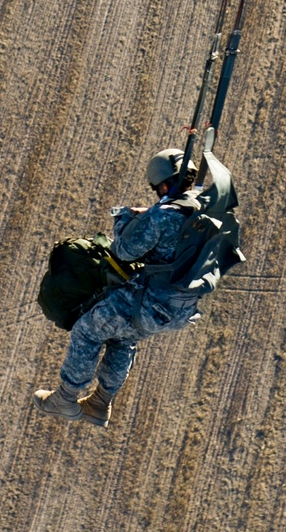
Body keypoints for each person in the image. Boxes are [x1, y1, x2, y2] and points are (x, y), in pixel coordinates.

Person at [34, 149, 205, 428]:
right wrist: (152, 214)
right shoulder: (207, 211)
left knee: (88, 329)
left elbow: (124, 251)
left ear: (162, 185)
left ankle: (65, 399)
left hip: (149, 302)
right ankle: (99, 404)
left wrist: (125, 219)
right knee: (121, 338)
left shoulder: (162, 216)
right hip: (179, 309)